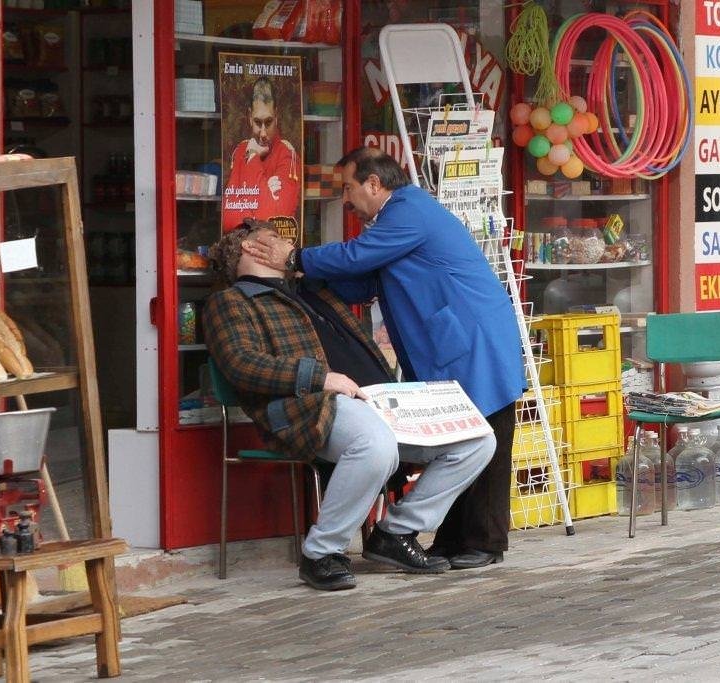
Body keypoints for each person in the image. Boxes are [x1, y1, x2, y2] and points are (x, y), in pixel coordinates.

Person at [241, 147, 525, 570]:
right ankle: (451, 540)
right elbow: (364, 281)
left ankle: (484, 541)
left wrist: (295, 258)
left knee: (485, 435)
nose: (346, 199)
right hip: (456, 340)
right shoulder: (396, 220)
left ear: (374, 184)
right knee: (465, 434)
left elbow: (356, 258)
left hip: (472, 341)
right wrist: (303, 279)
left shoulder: (408, 211)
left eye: (350, 188)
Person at [202, 220, 495, 591]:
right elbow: (241, 364)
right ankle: (322, 553)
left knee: (477, 440)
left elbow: (366, 272)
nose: (286, 241)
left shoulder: (312, 288)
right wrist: (320, 377)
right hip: (313, 404)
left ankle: (395, 532)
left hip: (383, 399)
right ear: (250, 249)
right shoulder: (232, 300)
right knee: (375, 444)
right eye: (274, 238)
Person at [221, 77, 301, 231]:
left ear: (276, 116)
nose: (263, 133)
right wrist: (265, 189)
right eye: (258, 123)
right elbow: (229, 221)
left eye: (268, 122)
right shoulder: (241, 151)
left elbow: (271, 220)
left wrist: (252, 158)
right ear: (250, 117)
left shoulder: (286, 154)